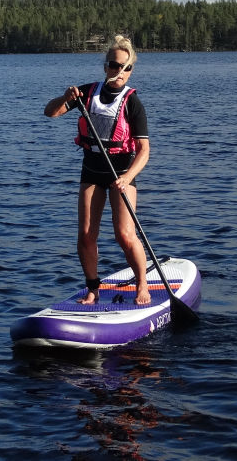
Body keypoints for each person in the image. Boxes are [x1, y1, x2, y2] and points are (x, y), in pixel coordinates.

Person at [43, 35, 151, 305]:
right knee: (86, 235)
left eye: (126, 68)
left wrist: (127, 177)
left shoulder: (133, 102)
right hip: (92, 169)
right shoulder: (86, 93)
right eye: (115, 66)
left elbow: (144, 151)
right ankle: (93, 288)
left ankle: (142, 285)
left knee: (124, 235)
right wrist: (64, 98)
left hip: (121, 172)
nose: (120, 72)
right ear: (106, 67)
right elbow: (50, 112)